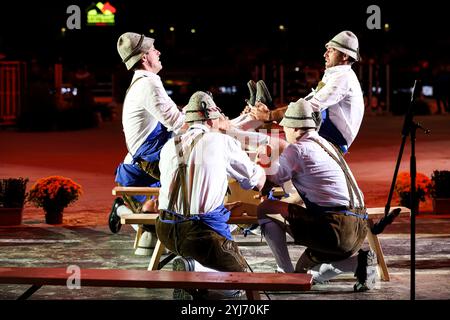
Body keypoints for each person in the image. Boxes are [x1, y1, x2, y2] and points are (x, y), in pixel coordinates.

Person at [255, 98, 377, 292]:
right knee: (303, 272)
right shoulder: (328, 145)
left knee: (265, 209)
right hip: (359, 226)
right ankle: (358, 263)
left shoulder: (297, 149)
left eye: (285, 127)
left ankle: (284, 274)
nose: (284, 132)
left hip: (337, 230)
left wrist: (263, 155)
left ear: (295, 128)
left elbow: (269, 180)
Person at [155, 91, 266, 299]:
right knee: (241, 283)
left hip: (166, 229)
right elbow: (256, 181)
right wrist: (259, 165)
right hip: (201, 234)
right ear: (210, 118)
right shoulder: (221, 142)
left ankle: (194, 278)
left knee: (214, 228)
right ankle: (194, 269)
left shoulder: (170, 145)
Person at [109, 32, 185, 255]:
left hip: (148, 160)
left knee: (152, 229)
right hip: (147, 163)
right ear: (143, 57)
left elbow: (178, 119)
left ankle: (134, 214)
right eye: (153, 49)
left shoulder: (146, 82)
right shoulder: (148, 83)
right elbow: (179, 123)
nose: (158, 52)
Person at [250, 30, 364, 154]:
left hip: (333, 137)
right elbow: (306, 101)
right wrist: (275, 112)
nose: (325, 54)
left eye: (331, 50)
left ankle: (262, 121)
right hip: (327, 130)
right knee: (296, 113)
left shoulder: (343, 78)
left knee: (305, 113)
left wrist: (270, 115)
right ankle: (261, 113)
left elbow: (310, 107)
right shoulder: (336, 74)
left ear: (345, 56)